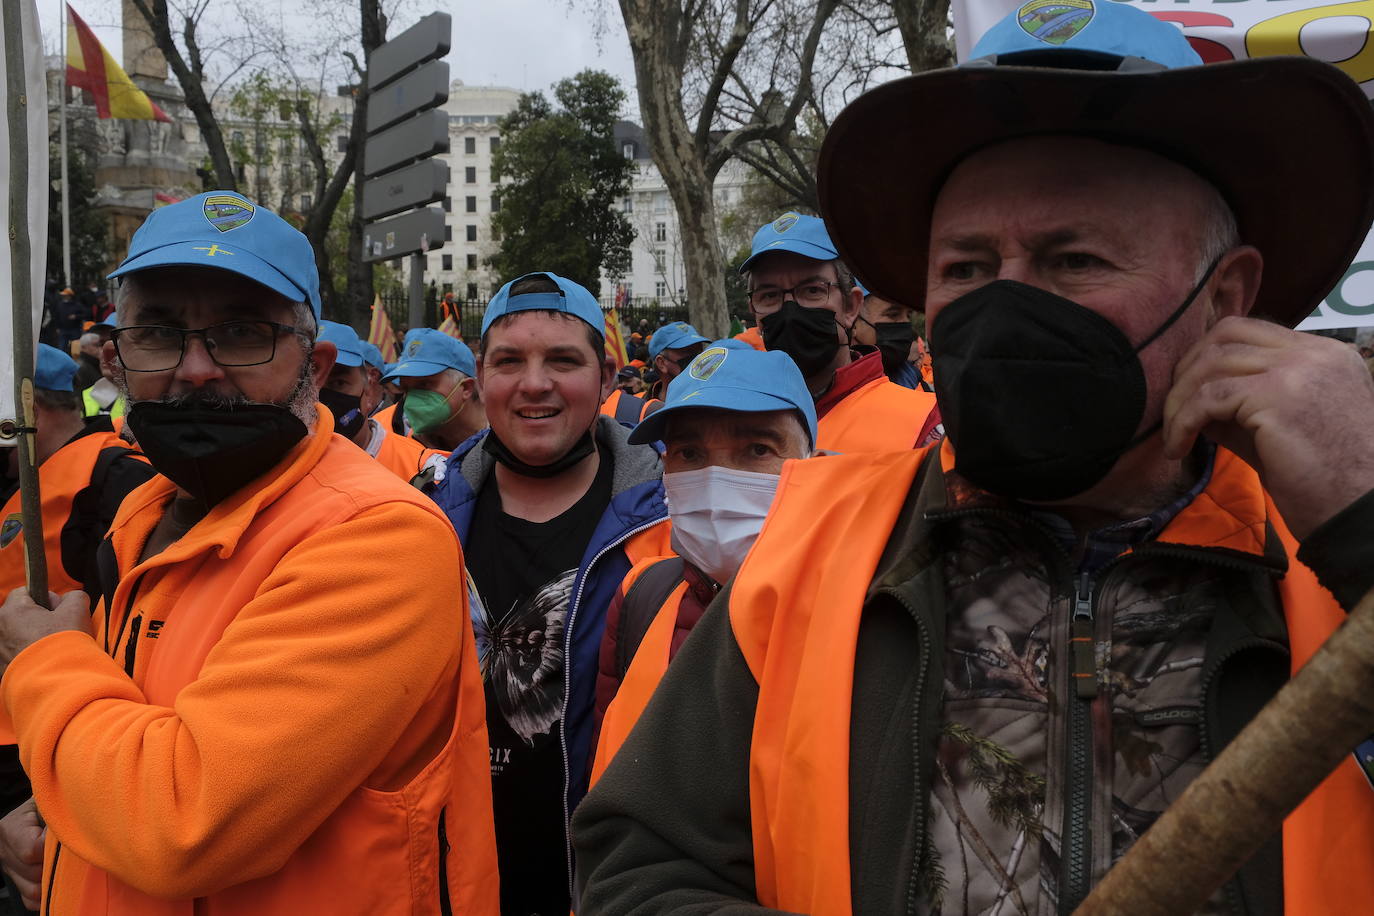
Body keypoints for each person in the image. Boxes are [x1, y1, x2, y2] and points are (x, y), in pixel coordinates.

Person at [572, 6, 1374, 913]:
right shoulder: (807, 556)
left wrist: (1364, 530)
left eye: (1075, 259)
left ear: (1225, 296)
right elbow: (638, 862)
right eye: (964, 266)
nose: (1006, 307)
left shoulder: (1323, 554)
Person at [0, 191, 497, 914]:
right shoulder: (142, 520)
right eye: (160, 332)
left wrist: (45, 662)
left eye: (239, 333)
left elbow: (181, 823)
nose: (196, 368)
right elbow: (123, 749)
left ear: (318, 364)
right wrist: (62, 822)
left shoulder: (377, 538)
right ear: (116, 358)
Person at [430, 271, 671, 916]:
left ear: (609, 379)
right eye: (510, 361)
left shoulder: (673, 526)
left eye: (563, 360)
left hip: (610, 883)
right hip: (451, 879)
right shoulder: (418, 518)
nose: (534, 384)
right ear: (481, 378)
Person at [591, 346, 817, 783]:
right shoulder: (641, 595)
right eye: (690, 454)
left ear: (812, 461)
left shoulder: (861, 607)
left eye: (757, 449)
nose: (716, 478)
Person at [741, 211, 940, 452]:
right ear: (754, 310)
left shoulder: (924, 422)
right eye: (769, 295)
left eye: (813, 290)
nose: (790, 311)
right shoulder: (730, 422)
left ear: (851, 306)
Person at [317, 320, 448, 485]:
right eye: (305, 383)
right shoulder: (280, 468)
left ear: (368, 388)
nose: (319, 396)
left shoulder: (426, 471)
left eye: (338, 383)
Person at [385, 328, 487, 452]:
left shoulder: (506, 441)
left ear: (466, 388)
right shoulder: (404, 444)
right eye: (406, 389)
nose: (412, 400)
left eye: (424, 384)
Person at [852, 280, 922, 388]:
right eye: (893, 315)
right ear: (853, 319)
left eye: (908, 315)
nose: (905, 322)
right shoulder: (834, 390)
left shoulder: (917, 382)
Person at [645, 321, 709, 400]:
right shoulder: (642, 409)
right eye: (687, 351)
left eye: (699, 350)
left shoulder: (714, 400)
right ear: (661, 363)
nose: (697, 357)